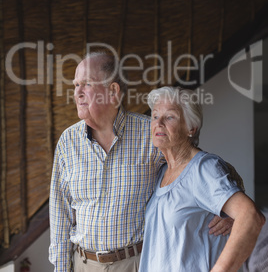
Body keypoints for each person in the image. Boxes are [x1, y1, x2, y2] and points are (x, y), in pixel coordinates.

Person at [49, 52, 240, 272]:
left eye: (86, 84)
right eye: (75, 85)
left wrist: (230, 212)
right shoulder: (68, 142)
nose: (78, 93)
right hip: (83, 263)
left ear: (113, 92)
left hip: (135, 263)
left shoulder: (150, 133)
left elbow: (200, 167)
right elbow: (59, 215)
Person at [138, 86, 265, 272]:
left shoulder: (203, 168)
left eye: (170, 117)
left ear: (191, 128)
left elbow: (251, 216)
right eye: (155, 116)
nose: (159, 123)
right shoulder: (162, 171)